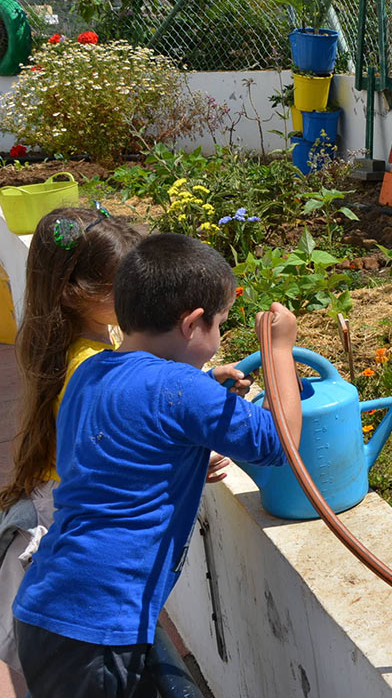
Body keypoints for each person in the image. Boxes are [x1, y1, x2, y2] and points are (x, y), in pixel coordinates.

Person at [10, 233, 302, 698]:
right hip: (98, 631)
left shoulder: (91, 371)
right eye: (221, 324)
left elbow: (126, 442)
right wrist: (280, 350)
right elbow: (277, 442)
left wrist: (203, 397)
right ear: (192, 324)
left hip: (52, 607)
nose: (222, 336)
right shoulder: (180, 389)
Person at [0, 206, 143, 679]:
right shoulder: (91, 367)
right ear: (75, 292)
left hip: (48, 493)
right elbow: (112, 456)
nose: (136, 294)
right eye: (121, 285)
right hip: (69, 517)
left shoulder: (71, 339)